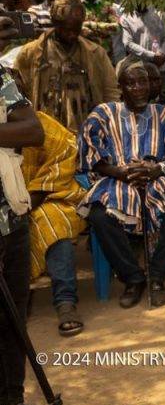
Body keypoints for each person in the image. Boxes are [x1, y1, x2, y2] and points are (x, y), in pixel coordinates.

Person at [78, 62, 165, 308]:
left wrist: (159, 168)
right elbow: (90, 154)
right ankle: (133, 278)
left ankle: (157, 276)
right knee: (99, 215)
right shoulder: (103, 114)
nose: (138, 88)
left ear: (151, 84)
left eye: (142, 82)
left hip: (160, 176)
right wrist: (120, 172)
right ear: (120, 87)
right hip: (117, 180)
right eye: (131, 83)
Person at [0, 50, 45, 405]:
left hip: (9, 215)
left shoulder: (0, 77)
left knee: (13, 315)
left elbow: (32, 130)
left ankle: (12, 402)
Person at [14, 0, 119, 132]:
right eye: (66, 29)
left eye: (76, 29)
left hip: (87, 133)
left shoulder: (96, 53)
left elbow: (111, 91)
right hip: (47, 136)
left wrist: (108, 123)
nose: (72, 34)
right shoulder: (31, 53)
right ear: (55, 23)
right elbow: (17, 93)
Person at [24, 111, 88, 337]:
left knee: (53, 220)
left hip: (49, 195)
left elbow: (65, 151)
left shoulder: (41, 124)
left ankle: (65, 302)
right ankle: (16, 299)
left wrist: (24, 204)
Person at [117, 4, 165, 75]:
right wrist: (152, 56)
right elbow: (128, 43)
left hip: (161, 66)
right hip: (141, 68)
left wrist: (162, 54)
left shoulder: (159, 13)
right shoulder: (126, 17)